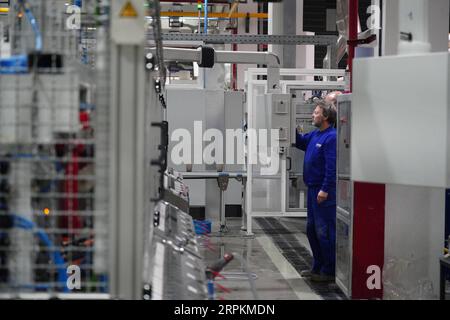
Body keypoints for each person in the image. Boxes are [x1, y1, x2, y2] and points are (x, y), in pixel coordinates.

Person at [296, 100, 337, 282]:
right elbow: (298, 141)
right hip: (313, 190)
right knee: (312, 230)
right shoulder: (315, 135)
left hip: (323, 193)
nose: (312, 115)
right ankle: (317, 267)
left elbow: (332, 167)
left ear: (326, 116)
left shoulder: (331, 137)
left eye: (316, 112)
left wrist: (325, 189)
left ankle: (329, 271)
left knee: (324, 231)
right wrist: (288, 125)